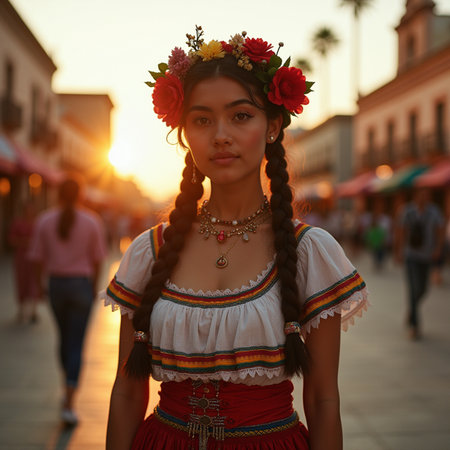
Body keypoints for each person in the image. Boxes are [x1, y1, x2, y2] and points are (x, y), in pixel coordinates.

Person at [103, 27, 368, 450]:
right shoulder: (149, 251)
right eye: (202, 119)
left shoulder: (308, 253)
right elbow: (127, 391)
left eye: (240, 115)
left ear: (272, 127)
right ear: (184, 133)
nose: (220, 134)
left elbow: (321, 399)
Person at [28, 176, 107, 426]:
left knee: (64, 339)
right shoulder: (92, 221)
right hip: (80, 285)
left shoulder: (44, 220)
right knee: (77, 342)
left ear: (58, 194)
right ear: (80, 195)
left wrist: (42, 284)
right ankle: (70, 401)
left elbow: (37, 257)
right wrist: (93, 286)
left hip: (57, 285)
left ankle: (67, 388)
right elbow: (98, 259)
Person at [395, 187, 445, 340]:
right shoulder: (407, 211)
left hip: (426, 256)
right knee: (413, 288)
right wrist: (398, 251)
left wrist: (438, 248)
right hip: (411, 256)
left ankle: (412, 309)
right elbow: (401, 231)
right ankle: (415, 326)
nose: (423, 197)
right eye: (421, 194)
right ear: (415, 196)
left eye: (426, 194)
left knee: (423, 289)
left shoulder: (434, 212)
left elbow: (440, 230)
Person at [8, 201, 40, 323]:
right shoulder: (18, 223)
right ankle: (22, 310)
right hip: (21, 258)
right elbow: (11, 239)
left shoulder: (37, 223)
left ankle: (33, 311)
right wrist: (24, 242)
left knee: (34, 283)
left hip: (34, 258)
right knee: (22, 282)